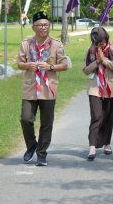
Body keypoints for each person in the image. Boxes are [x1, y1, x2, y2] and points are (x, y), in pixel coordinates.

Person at [17, 11, 69, 166]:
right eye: (39, 25)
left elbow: (65, 65)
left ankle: (41, 153)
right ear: (33, 27)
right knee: (26, 119)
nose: (43, 28)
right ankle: (32, 145)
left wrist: (50, 66)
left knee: (47, 123)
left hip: (48, 89)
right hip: (30, 88)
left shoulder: (57, 45)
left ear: (49, 26)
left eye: (46, 24)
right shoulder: (25, 44)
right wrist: (28, 65)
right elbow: (20, 63)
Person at [82, 27, 113, 161]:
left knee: (108, 117)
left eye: (102, 42)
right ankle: (92, 147)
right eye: (97, 43)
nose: (100, 45)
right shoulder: (90, 51)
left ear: (107, 39)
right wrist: (97, 61)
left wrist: (104, 60)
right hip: (95, 88)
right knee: (96, 116)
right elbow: (86, 70)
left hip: (111, 88)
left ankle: (107, 143)